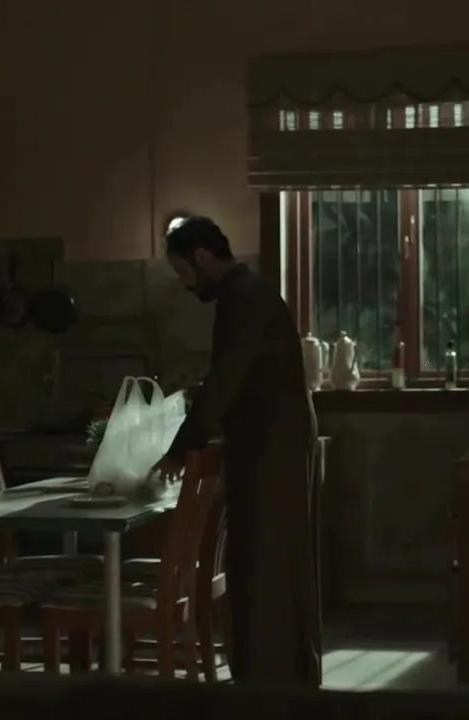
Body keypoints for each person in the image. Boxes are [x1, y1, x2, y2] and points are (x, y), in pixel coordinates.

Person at [152, 215, 323, 688]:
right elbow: (234, 377)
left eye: (183, 272)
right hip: (275, 439)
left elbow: (226, 380)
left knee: (264, 559)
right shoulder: (250, 294)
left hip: (270, 444)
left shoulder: (241, 300)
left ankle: (269, 680)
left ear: (202, 257)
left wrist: (181, 448)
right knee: (273, 556)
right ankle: (283, 675)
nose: (185, 284)